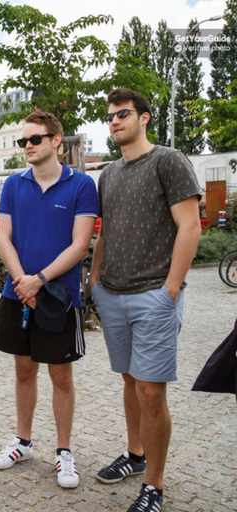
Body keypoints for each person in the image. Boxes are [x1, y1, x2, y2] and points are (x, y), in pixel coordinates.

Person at [89, 88, 201, 512]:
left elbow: (190, 227)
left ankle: (153, 484)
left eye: (123, 114)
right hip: (113, 294)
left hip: (155, 293)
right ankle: (135, 456)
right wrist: (96, 278)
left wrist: (171, 289)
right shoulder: (110, 173)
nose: (115, 121)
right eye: (110, 116)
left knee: (153, 391)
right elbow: (107, 229)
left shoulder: (168, 160)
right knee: (131, 382)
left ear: (145, 117)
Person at [0, 111, 98, 489]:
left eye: (36, 139)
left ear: (56, 140)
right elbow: (4, 237)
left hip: (58, 297)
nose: (29, 146)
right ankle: (23, 441)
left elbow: (80, 244)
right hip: (17, 292)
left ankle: (64, 451)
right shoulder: (13, 185)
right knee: (23, 369)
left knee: (61, 375)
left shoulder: (82, 185)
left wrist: (40, 280)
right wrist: (22, 281)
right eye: (24, 141)